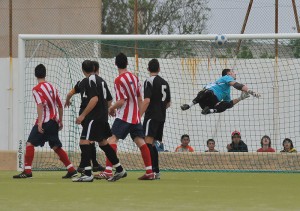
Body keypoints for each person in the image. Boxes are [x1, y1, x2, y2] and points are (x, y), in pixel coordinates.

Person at [96, 53, 154, 180]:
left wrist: (111, 108)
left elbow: (121, 101)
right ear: (127, 63)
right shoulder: (135, 77)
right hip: (135, 117)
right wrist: (138, 116)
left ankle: (108, 170)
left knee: (112, 140)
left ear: (116, 64)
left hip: (124, 117)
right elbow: (140, 98)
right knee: (140, 142)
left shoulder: (118, 80)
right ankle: (150, 172)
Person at [13, 64, 77, 179]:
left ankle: (27, 171)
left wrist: (39, 122)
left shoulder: (36, 89)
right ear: (45, 73)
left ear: (35, 75)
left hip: (45, 122)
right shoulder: (53, 87)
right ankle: (71, 169)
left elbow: (40, 105)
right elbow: (60, 105)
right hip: (54, 122)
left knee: (30, 143)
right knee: (55, 146)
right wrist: (60, 121)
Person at [71, 60, 126, 182]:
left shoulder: (89, 80)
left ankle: (87, 173)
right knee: (103, 143)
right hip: (102, 117)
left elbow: (94, 99)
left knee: (84, 142)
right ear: (95, 68)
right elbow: (109, 99)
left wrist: (83, 115)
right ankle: (120, 169)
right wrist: (109, 110)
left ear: (83, 70)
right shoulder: (101, 80)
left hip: (93, 117)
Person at [65, 60, 105, 173]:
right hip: (90, 114)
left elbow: (70, 93)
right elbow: (101, 99)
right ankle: (86, 166)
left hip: (85, 114)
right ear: (96, 69)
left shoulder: (82, 82)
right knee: (89, 140)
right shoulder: (97, 82)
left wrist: (67, 100)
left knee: (89, 140)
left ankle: (89, 165)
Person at [140, 58, 171, 179]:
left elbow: (147, 100)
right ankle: (156, 171)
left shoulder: (149, 81)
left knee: (147, 143)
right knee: (152, 144)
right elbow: (168, 103)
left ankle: (151, 171)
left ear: (148, 69)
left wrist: (139, 115)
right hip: (161, 117)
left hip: (151, 116)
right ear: (159, 68)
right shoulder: (165, 82)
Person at [181, 69, 260, 115]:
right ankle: (188, 105)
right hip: (204, 97)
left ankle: (209, 111)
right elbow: (236, 85)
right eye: (233, 72)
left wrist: (240, 98)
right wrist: (250, 91)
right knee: (208, 92)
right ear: (228, 74)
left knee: (227, 105)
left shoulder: (227, 91)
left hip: (210, 104)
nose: (235, 73)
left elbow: (230, 104)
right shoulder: (226, 77)